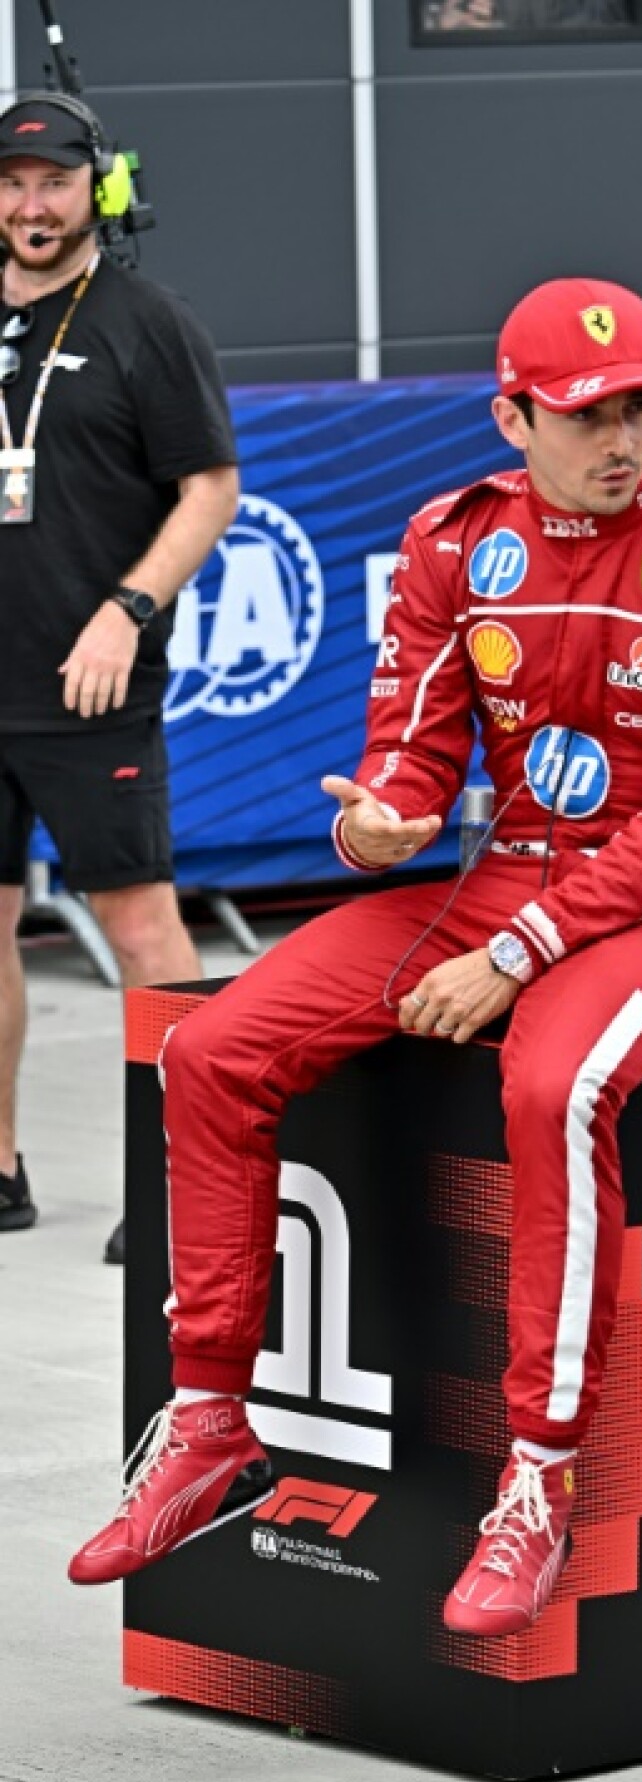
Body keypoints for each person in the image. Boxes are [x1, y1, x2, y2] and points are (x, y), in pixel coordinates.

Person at [67, 274, 642, 1637]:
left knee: (550, 1086)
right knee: (213, 1046)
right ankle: (214, 1416)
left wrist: (521, 952)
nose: (622, 435)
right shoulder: (452, 537)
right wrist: (387, 816)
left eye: (639, 403)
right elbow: (415, 738)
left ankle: (539, 1473)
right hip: (499, 880)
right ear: (512, 415)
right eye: (587, 412)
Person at [0, 95, 239, 1260]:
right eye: (12, 182)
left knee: (142, 926)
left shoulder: (148, 322)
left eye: (53, 181)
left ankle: (183, 1184)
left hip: (92, 686)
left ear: (96, 186)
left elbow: (210, 490)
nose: (30, 205)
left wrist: (128, 611)